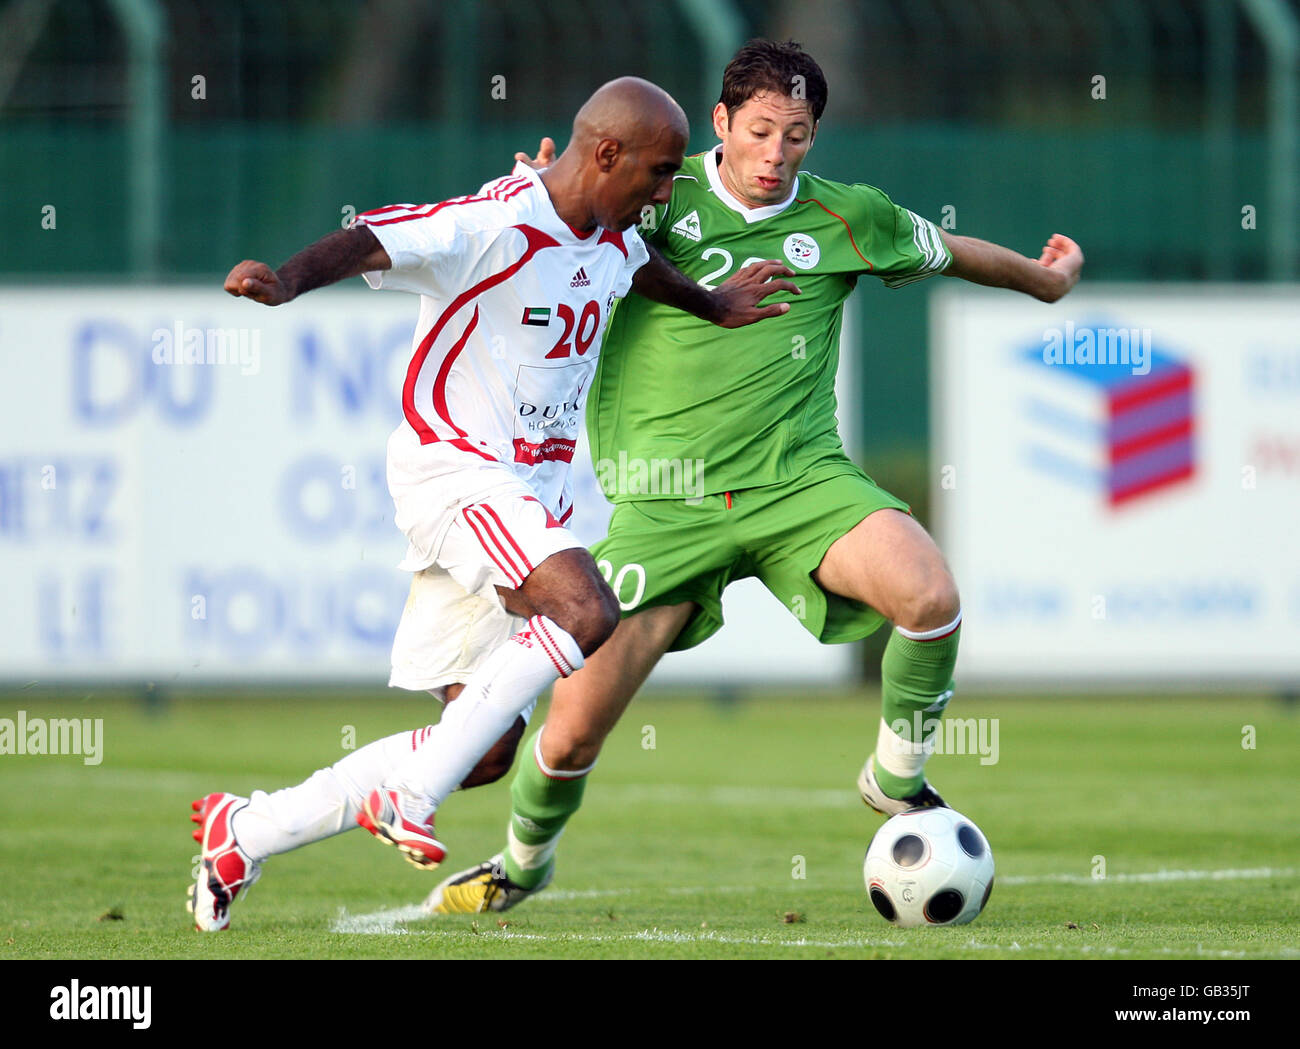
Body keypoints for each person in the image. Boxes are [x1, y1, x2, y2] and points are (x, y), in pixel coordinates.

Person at [420, 39, 1084, 915]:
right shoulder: (657, 195)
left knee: (931, 598)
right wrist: (552, 190)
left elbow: (954, 251)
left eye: (798, 136)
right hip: (665, 506)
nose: (777, 155)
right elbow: (561, 223)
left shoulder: (851, 216)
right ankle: (522, 862)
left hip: (798, 485)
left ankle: (894, 776)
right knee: (572, 732)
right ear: (723, 122)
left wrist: (1043, 281)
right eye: (761, 131)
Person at [188, 76, 796, 931]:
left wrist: (712, 302)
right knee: (587, 609)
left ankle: (245, 828)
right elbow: (374, 237)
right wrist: (286, 282)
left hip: (520, 499)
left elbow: (634, 268)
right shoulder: (493, 223)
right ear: (607, 153)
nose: (666, 191)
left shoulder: (608, 232)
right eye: (658, 172)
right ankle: (410, 794)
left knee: (483, 749)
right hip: (453, 471)